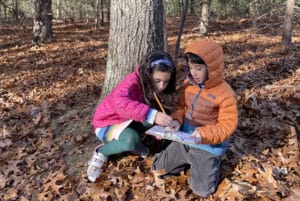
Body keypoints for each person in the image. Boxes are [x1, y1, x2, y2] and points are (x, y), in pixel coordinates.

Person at [152, 40, 238, 197]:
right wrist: (176, 121)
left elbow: (227, 126)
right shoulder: (189, 85)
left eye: (198, 68)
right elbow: (180, 108)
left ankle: (212, 162)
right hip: (184, 139)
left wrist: (203, 135)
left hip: (207, 146)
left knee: (202, 190)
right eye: (191, 68)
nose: (194, 73)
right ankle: (183, 158)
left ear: (212, 68)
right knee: (158, 168)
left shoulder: (225, 94)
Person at [87, 51, 178, 182]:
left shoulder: (151, 85)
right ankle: (101, 152)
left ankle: (134, 144)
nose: (161, 86)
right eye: (157, 81)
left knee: (152, 120)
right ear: (148, 73)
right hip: (106, 123)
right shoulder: (132, 82)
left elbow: (154, 111)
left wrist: (162, 125)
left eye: (166, 81)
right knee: (130, 139)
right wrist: (152, 115)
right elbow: (120, 103)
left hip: (129, 120)